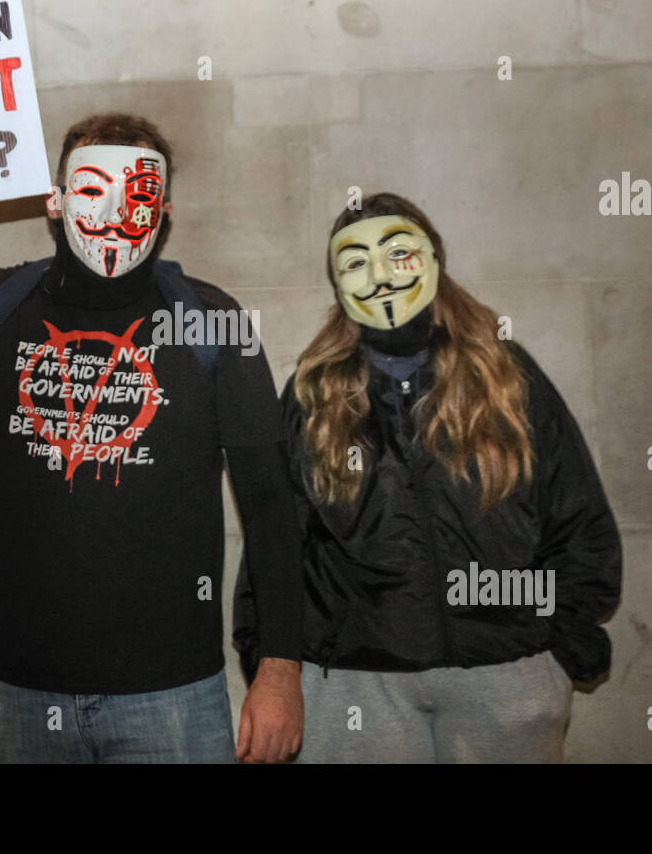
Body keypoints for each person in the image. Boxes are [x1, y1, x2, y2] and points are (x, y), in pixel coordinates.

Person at [0, 113, 303, 763]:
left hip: (171, 695)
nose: (111, 212)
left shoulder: (215, 323)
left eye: (135, 195)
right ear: (54, 202)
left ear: (163, 211)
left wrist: (279, 674)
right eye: (90, 189)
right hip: (18, 691)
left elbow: (274, 509)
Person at [234, 191, 622, 763]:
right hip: (356, 684)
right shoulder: (312, 393)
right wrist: (271, 661)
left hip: (507, 670)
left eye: (399, 254)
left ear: (434, 259)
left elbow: (576, 512)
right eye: (357, 262)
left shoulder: (508, 377)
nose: (382, 276)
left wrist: (563, 645)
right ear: (338, 282)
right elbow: (278, 542)